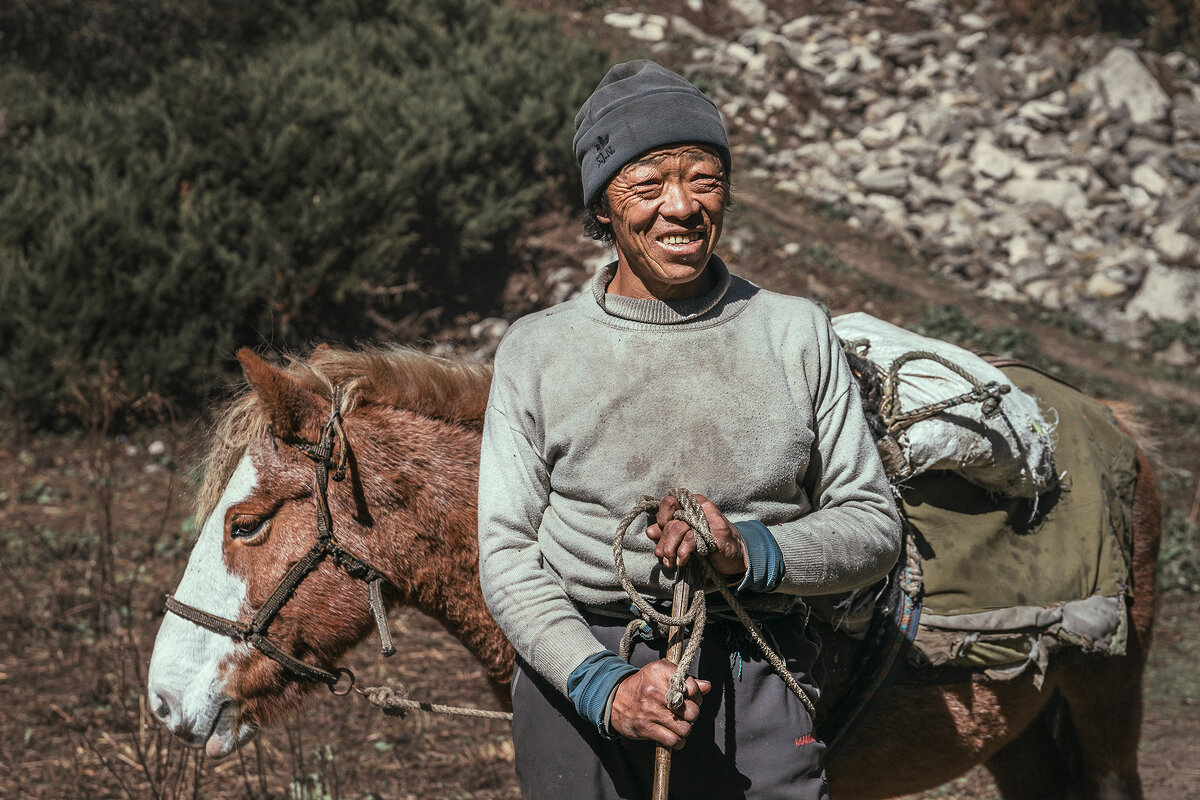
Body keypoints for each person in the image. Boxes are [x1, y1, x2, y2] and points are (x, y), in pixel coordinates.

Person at [477, 60, 902, 800]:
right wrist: (604, 685)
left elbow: (872, 526)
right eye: (648, 186)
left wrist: (748, 549)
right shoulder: (537, 351)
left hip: (755, 668)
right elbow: (507, 553)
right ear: (603, 208)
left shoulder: (794, 333)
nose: (681, 207)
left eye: (703, 179)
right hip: (580, 666)